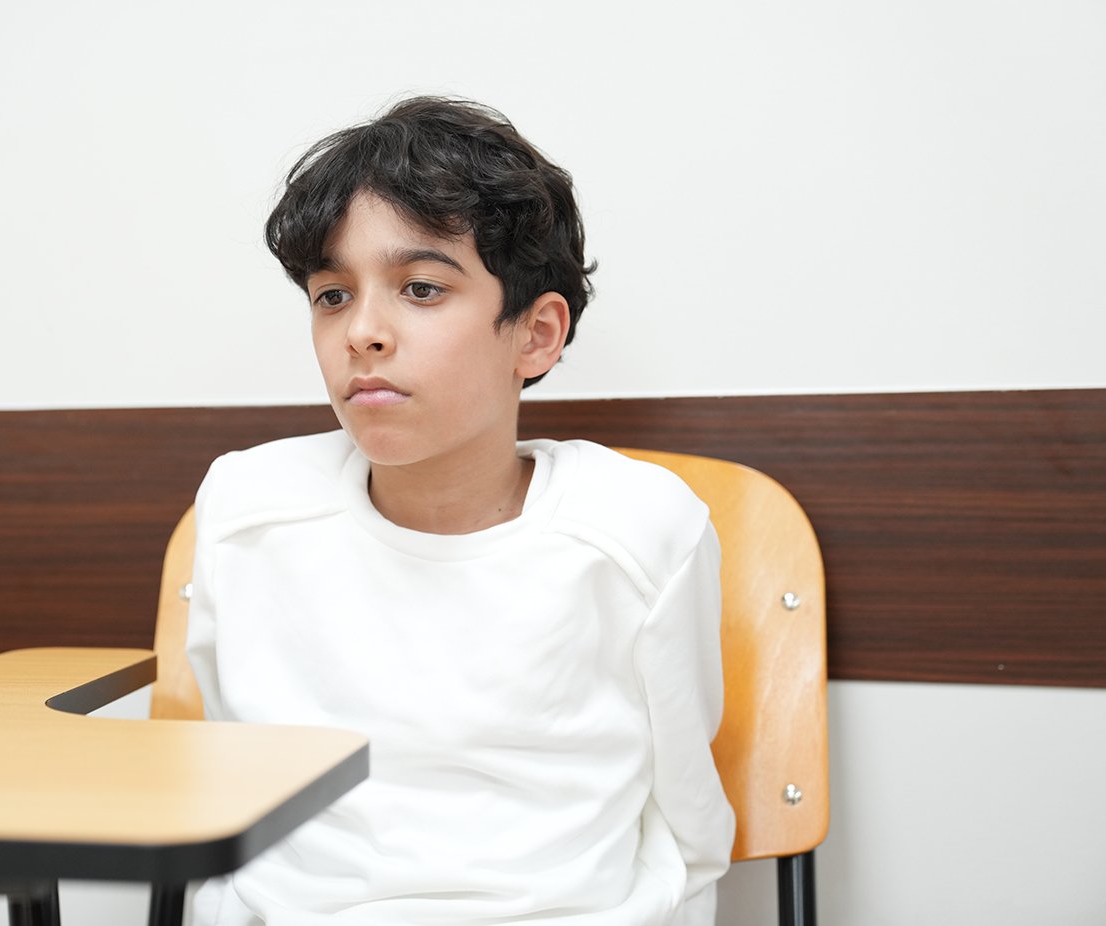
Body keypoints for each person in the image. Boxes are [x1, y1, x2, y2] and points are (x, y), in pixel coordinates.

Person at [185, 96, 734, 925]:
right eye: (331, 295)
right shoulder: (248, 507)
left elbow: (685, 818)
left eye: (420, 288)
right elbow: (227, 782)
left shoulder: (637, 528)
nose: (362, 331)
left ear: (535, 335)